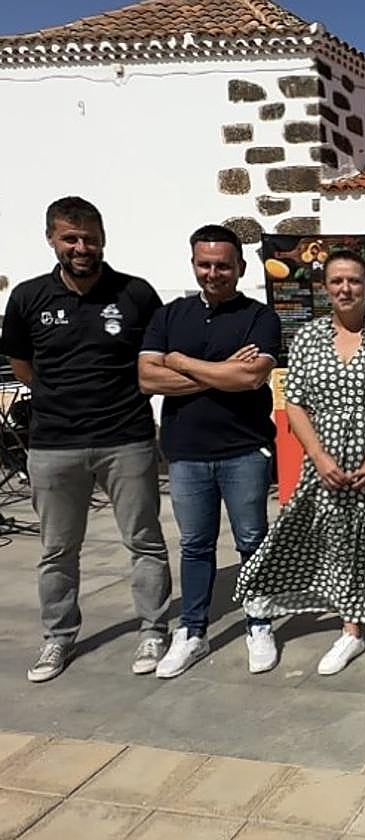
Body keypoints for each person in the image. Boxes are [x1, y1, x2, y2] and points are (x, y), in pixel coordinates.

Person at [0, 196, 171, 683]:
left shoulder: (135, 293)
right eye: (69, 238)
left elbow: (154, 357)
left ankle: (154, 629)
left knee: (144, 541)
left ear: (103, 239)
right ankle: (57, 638)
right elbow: (21, 363)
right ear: (51, 239)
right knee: (57, 548)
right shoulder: (29, 297)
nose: (80, 247)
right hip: (54, 445)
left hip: (127, 439)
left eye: (89, 238)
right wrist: (57, 397)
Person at [234, 250, 365, 677]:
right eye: (337, 281)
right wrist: (319, 457)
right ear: (325, 287)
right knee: (338, 545)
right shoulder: (307, 337)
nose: (346, 289)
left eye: (354, 281)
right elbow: (296, 402)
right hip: (327, 467)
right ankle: (350, 630)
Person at [138, 224, 281, 678]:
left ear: (240, 266)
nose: (214, 272)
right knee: (196, 545)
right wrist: (219, 371)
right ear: (194, 264)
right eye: (205, 264)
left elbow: (250, 378)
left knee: (252, 542)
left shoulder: (260, 317)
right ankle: (193, 631)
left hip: (244, 449)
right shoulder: (169, 315)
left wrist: (178, 362)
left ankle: (259, 622)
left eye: (223, 265)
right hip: (186, 452)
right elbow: (147, 380)